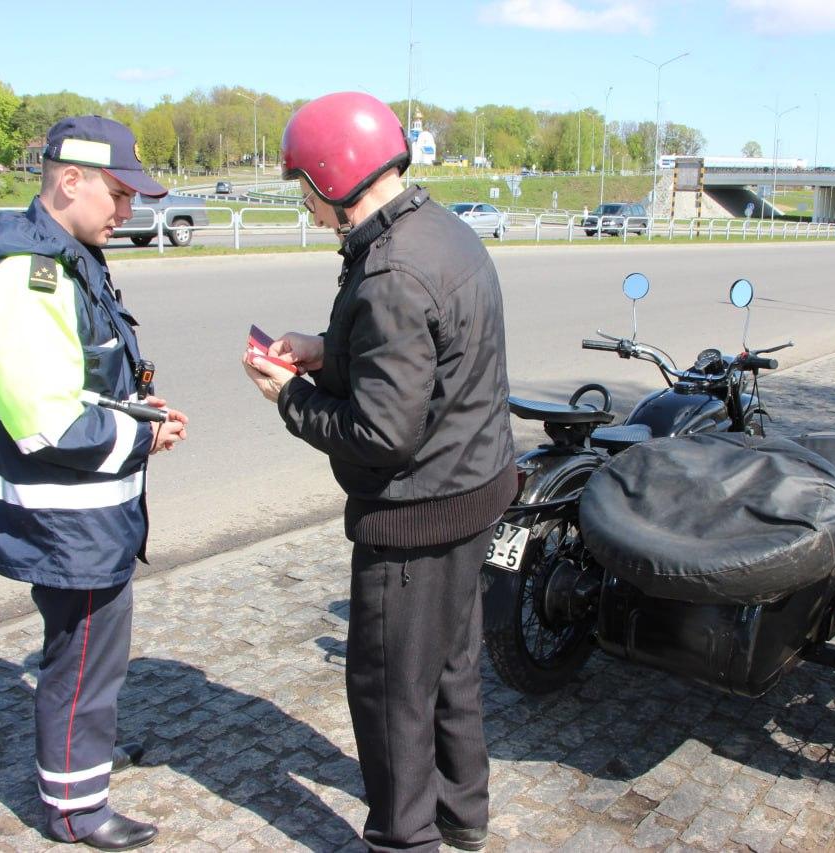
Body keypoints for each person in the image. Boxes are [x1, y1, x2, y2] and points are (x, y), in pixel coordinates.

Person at [242, 92, 515, 852]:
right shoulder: (442, 230)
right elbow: (430, 359)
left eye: (304, 185)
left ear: (333, 175)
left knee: (391, 686)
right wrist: (327, 349)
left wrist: (290, 395)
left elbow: (379, 432)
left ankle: (404, 837)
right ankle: (463, 815)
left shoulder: (390, 271)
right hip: (474, 487)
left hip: (418, 513)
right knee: (452, 664)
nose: (305, 202)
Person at [0, 116, 188, 850]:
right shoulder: (29, 277)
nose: (128, 212)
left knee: (90, 659)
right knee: (83, 664)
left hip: (87, 512)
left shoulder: (69, 256)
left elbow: (83, 382)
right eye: (118, 195)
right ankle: (74, 808)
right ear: (70, 181)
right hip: (66, 520)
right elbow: (47, 426)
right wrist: (143, 434)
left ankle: (79, 763)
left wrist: (137, 410)